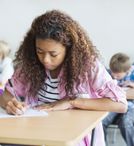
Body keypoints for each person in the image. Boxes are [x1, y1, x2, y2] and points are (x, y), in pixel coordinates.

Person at [0, 10, 127, 146]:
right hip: (37, 134)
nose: (45, 60)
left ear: (68, 49)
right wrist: (10, 104)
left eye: (53, 54)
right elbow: (5, 94)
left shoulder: (88, 66)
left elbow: (120, 104)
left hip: (73, 137)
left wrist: (72, 102)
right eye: (40, 52)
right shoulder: (31, 64)